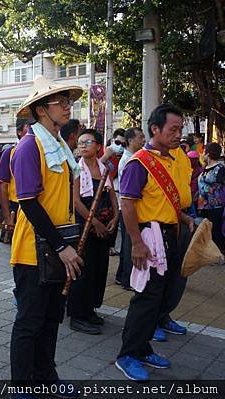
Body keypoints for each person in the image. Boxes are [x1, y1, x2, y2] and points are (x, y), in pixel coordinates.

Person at [9, 76, 83, 392]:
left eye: (69, 101)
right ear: (42, 110)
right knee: (29, 323)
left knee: (52, 319)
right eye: (60, 102)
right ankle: (23, 386)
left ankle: (46, 379)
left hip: (57, 244)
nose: (67, 107)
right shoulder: (29, 146)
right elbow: (28, 203)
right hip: (32, 250)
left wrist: (66, 244)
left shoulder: (60, 146)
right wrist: (62, 247)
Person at [115, 104, 194, 381]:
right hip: (149, 237)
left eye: (180, 129)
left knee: (158, 296)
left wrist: (182, 217)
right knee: (146, 297)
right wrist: (136, 243)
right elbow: (128, 205)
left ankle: (142, 347)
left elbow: (161, 199)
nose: (178, 134)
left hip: (169, 234)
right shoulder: (140, 162)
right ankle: (127, 354)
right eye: (173, 129)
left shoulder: (171, 159)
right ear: (155, 129)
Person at [68, 129, 118, 335]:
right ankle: (77, 315)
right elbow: (76, 201)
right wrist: (94, 222)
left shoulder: (104, 168)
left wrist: (116, 216)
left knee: (99, 268)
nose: (82, 145)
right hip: (85, 225)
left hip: (105, 224)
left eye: (87, 142)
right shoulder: (76, 169)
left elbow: (112, 194)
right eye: (80, 142)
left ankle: (90, 310)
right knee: (84, 269)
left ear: (98, 146)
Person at [115, 127, 145, 290]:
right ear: (130, 140)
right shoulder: (128, 161)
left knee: (127, 243)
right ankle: (127, 279)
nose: (143, 140)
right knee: (128, 245)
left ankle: (122, 276)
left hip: (127, 207)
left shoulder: (132, 157)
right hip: (126, 208)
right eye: (140, 137)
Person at [0, 118, 30, 244]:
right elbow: (3, 186)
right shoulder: (10, 152)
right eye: (28, 126)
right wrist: (7, 217)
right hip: (16, 207)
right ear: (19, 131)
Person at [101, 128, 126, 257]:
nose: (120, 146)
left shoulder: (125, 156)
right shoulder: (103, 153)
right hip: (106, 193)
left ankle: (115, 246)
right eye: (117, 142)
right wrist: (106, 156)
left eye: (123, 144)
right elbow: (96, 166)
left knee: (119, 222)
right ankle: (108, 245)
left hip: (120, 194)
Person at [197, 142, 225, 252]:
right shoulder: (205, 167)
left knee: (216, 230)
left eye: (204, 151)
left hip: (216, 206)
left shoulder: (220, 169)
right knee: (206, 230)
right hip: (203, 205)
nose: (202, 154)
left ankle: (217, 253)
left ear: (208, 154)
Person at [187, 150, 202, 218]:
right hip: (189, 192)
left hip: (195, 193)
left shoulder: (199, 170)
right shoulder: (187, 168)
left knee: (194, 210)